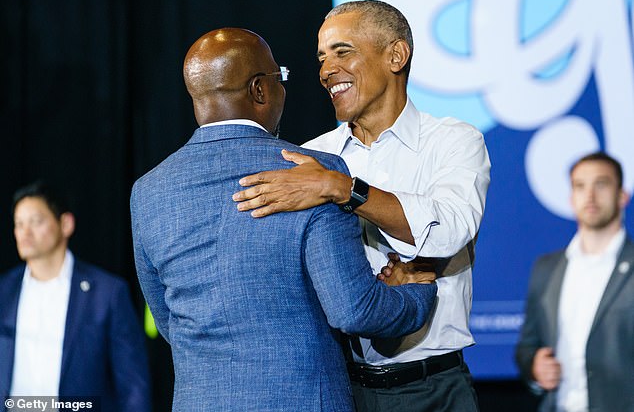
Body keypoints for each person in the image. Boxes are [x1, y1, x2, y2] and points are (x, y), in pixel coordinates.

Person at [130, 27, 438, 412]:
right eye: (281, 79)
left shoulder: (148, 190)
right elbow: (354, 310)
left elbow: (167, 321)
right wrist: (417, 291)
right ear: (260, 90)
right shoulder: (313, 171)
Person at [232, 0, 490, 411]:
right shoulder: (309, 158)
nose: (325, 71)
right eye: (321, 58)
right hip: (339, 390)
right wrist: (366, 299)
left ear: (396, 55)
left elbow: (450, 230)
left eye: (342, 51)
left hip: (434, 390)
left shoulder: (454, 142)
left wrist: (343, 189)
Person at [0, 181, 151, 411]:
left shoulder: (107, 293)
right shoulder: (4, 290)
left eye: (36, 222)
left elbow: (133, 386)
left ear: (65, 224)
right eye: (19, 224)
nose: (25, 232)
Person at [515, 152, 634, 412]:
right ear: (571, 198)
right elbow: (527, 345)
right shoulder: (547, 268)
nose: (590, 195)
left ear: (622, 196)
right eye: (580, 186)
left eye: (601, 184)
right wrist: (535, 367)